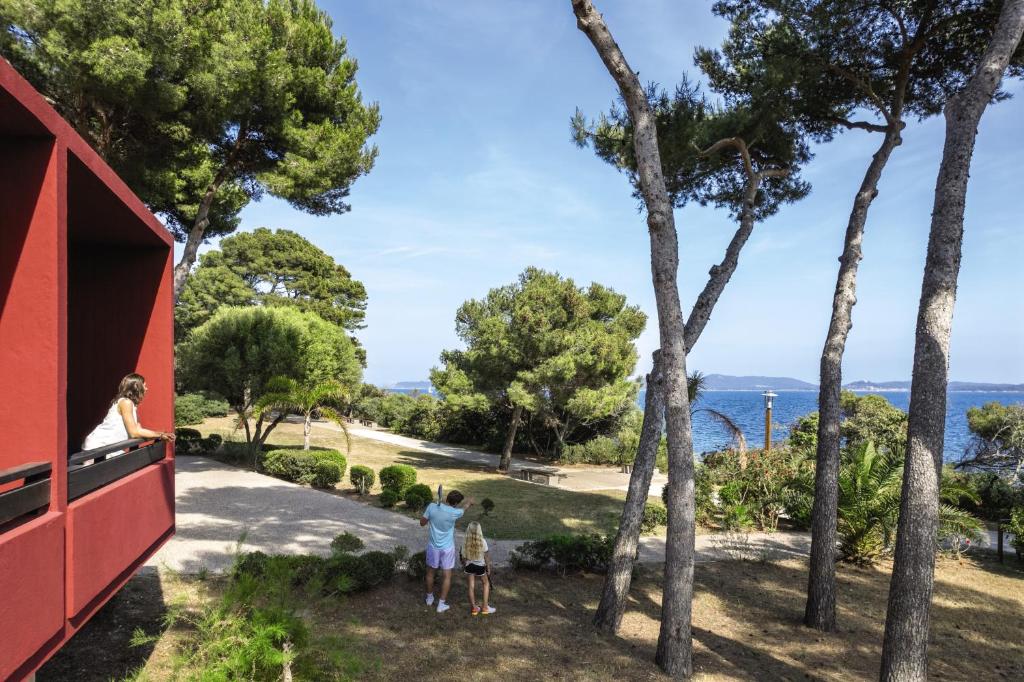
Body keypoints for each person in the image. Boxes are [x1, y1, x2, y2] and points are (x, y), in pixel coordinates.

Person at [82, 373, 174, 453]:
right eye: (144, 385)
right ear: (137, 387)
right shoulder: (126, 402)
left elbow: (139, 430)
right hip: (99, 446)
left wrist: (161, 435)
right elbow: (134, 433)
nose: (147, 388)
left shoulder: (132, 405)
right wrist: (160, 435)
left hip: (107, 447)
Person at [420, 489, 474, 613]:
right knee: (447, 576)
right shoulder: (456, 512)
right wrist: (469, 502)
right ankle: (441, 604)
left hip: (433, 547)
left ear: (446, 499)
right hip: (447, 548)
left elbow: (422, 523)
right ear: (456, 503)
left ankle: (429, 598)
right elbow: (464, 508)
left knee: (430, 573)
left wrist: (431, 514)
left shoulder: (432, 506)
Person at [461, 521, 496, 616]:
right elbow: (486, 556)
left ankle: (474, 608)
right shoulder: (482, 541)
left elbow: (463, 557)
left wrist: (465, 565)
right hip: (480, 566)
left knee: (471, 586)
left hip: (469, 566)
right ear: (479, 530)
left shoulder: (465, 542)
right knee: (486, 583)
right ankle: (485, 607)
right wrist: (488, 568)